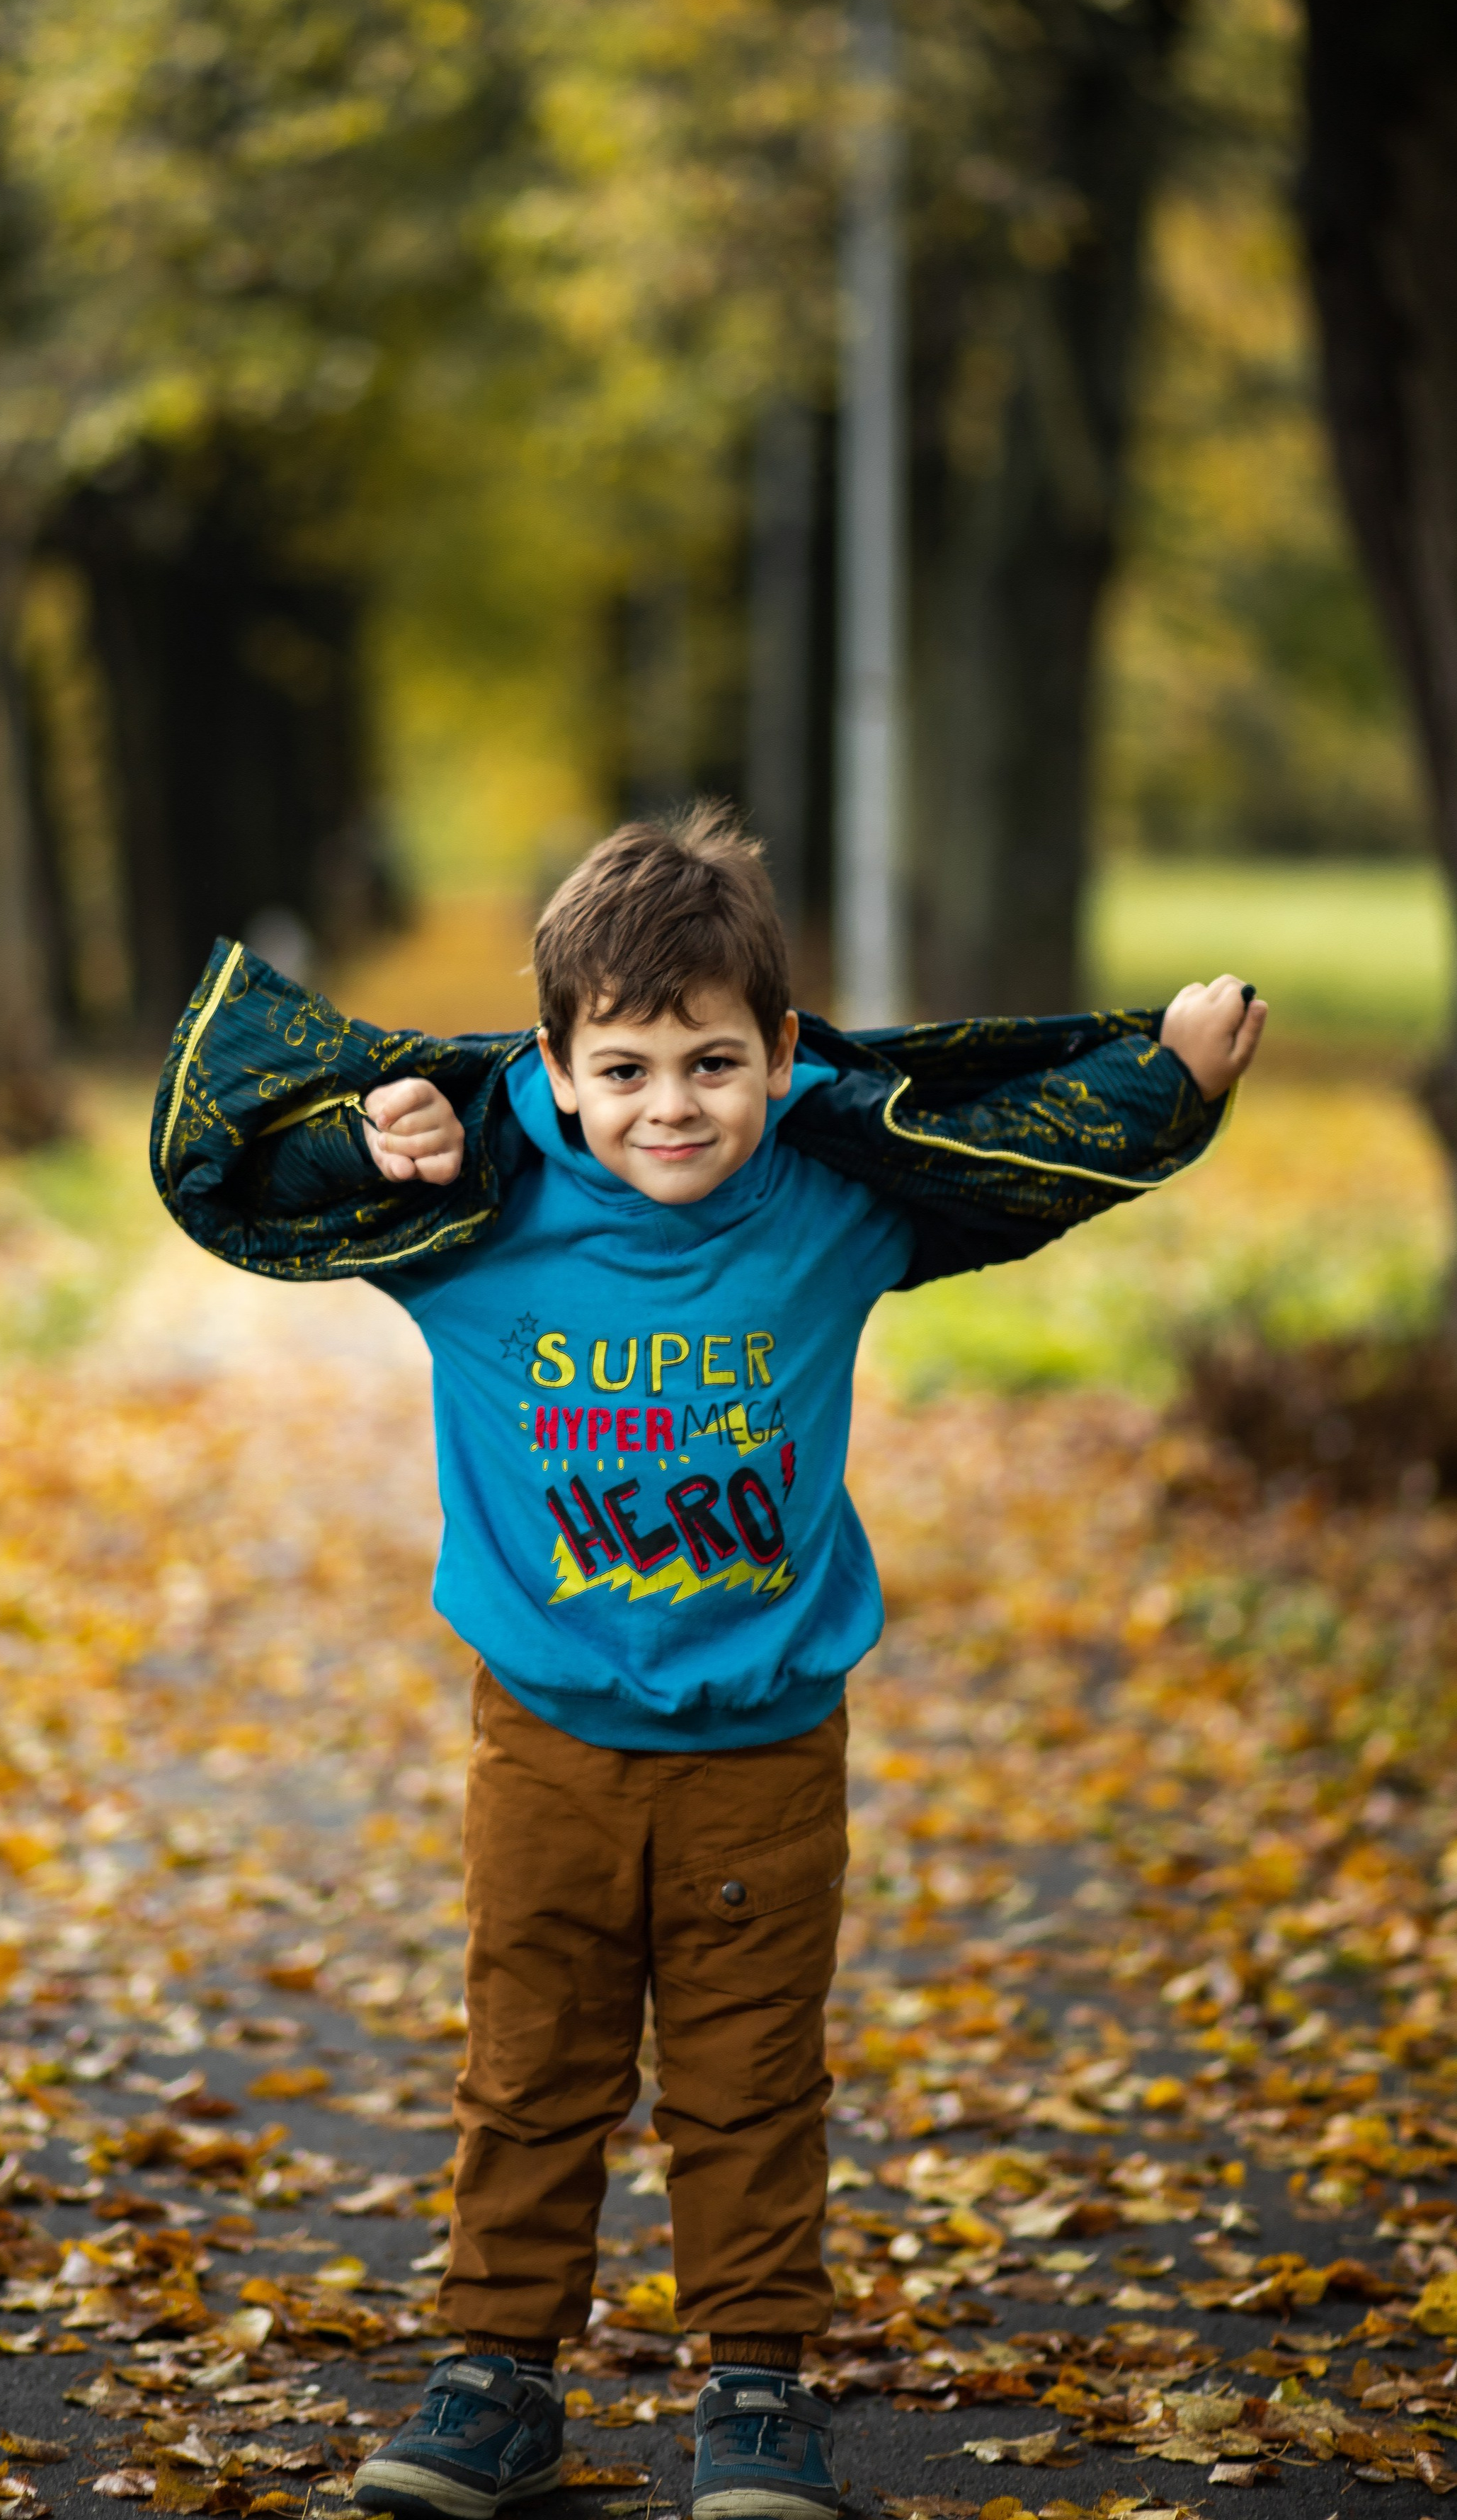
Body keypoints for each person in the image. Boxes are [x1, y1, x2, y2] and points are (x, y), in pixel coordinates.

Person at [151, 806, 1266, 2520]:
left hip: (764, 1741)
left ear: (780, 1056)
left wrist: (1171, 1086)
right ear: (555, 1066)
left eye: (711, 1062)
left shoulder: (837, 1207)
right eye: (625, 1066)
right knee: (531, 2065)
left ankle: (756, 2395)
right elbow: (255, 1172)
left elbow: (1013, 1167)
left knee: (750, 2082)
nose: (669, 1104)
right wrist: (372, 1144)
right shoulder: (473, 1212)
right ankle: (496, 2380)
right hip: (544, 1738)